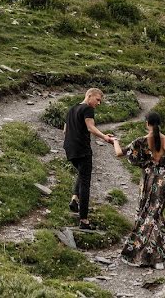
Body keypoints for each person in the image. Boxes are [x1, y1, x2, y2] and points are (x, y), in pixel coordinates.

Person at [111, 111, 165, 269]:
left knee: (147, 217)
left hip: (149, 182)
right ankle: (162, 250)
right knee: (156, 215)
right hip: (164, 183)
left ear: (147, 123)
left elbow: (119, 153)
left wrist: (114, 140)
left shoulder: (141, 141)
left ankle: (153, 257)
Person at [63, 88, 116, 230]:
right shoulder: (87, 109)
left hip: (69, 149)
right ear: (89, 96)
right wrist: (105, 136)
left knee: (82, 173)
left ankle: (75, 198)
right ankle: (84, 220)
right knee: (86, 182)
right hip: (82, 149)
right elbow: (91, 127)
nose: (98, 103)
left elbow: (65, 130)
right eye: (97, 99)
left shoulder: (72, 109)